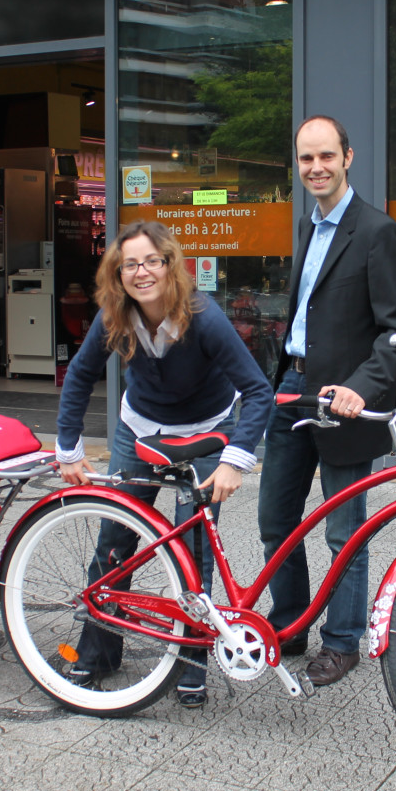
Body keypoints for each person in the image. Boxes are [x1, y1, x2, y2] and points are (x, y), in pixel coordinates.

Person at [55, 220, 271, 708]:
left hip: (206, 432)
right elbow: (80, 375)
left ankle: (191, 662)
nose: (141, 271)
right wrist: (68, 450)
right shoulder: (114, 314)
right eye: (130, 264)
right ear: (118, 273)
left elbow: (258, 391)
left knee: (194, 547)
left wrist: (236, 459)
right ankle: (98, 652)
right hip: (140, 430)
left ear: (170, 266)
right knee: (116, 541)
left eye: (152, 261)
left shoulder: (203, 316)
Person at [257, 115, 396, 687]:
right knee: (276, 520)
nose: (316, 168)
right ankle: (292, 621)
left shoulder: (376, 231)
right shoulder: (308, 224)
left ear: (348, 157)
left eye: (326, 156)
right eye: (306, 159)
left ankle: (343, 641)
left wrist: (361, 388)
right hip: (291, 392)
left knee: (343, 531)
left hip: (343, 402)